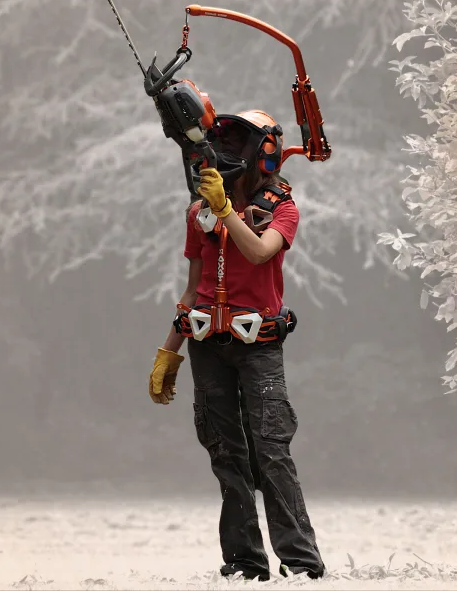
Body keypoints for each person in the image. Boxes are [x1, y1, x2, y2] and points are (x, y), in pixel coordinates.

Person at [148, 110, 326, 582]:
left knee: (270, 450)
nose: (226, 154)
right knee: (225, 453)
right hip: (208, 343)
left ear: (263, 156)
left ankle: (302, 562)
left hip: (259, 347)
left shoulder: (282, 207)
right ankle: (245, 563)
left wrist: (227, 210)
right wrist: (170, 352)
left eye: (238, 145)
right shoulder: (199, 215)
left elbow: (261, 251)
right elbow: (193, 291)